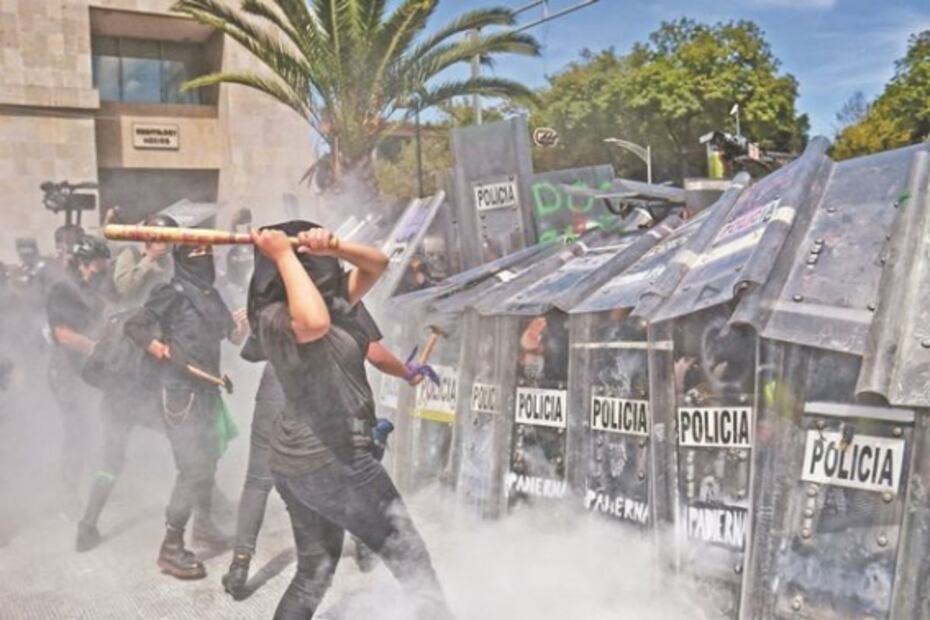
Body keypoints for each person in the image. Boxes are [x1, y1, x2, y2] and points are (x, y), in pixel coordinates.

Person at [248, 222, 452, 619]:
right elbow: (314, 324)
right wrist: (285, 254)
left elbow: (378, 264)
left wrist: (335, 246)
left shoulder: (334, 301)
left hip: (310, 460)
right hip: (331, 458)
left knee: (314, 572)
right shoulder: (274, 318)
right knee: (413, 561)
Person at [221, 305, 436, 599]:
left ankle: (240, 565)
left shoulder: (275, 296)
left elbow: (244, 341)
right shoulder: (338, 294)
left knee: (258, 480)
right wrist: (408, 372)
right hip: (315, 412)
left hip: (272, 398)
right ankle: (364, 545)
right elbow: (375, 353)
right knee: (347, 479)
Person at [125, 232, 248, 580]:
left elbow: (232, 337)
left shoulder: (210, 295)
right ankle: (171, 546)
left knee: (208, 461)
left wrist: (242, 324)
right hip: (180, 391)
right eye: (195, 249)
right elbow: (135, 326)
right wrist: (161, 350)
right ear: (181, 255)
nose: (203, 255)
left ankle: (204, 526)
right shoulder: (172, 292)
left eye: (207, 249)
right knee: (193, 468)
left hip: (209, 390)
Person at [45, 236, 111, 515]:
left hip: (88, 370)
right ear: (84, 263)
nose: (102, 271)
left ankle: (97, 486)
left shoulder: (91, 290)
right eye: (98, 265)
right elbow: (64, 335)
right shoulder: (63, 290)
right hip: (67, 371)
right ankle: (67, 495)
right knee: (77, 432)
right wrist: (98, 349)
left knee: (101, 425)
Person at [113, 214, 174, 307]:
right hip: (133, 312)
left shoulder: (167, 259)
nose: (164, 244)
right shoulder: (131, 254)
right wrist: (148, 259)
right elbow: (124, 290)